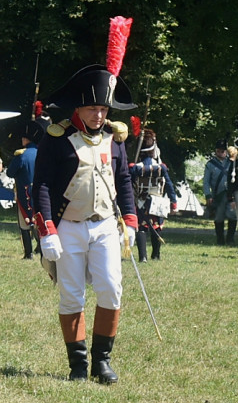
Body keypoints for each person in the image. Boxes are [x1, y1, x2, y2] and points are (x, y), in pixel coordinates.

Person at [33, 60, 139, 384]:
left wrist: (131, 221)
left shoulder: (114, 140)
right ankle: (77, 365)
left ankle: (102, 362)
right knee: (71, 294)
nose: (99, 115)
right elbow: (42, 186)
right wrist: (47, 230)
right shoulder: (57, 138)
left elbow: (123, 182)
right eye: (93, 108)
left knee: (111, 289)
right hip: (68, 227)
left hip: (105, 225)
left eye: (103, 109)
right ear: (79, 107)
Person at [129, 129, 177, 261]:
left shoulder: (134, 168)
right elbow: (169, 185)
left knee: (142, 227)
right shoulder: (162, 167)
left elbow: (129, 185)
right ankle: (156, 255)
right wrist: (174, 202)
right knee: (156, 227)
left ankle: (143, 257)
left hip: (140, 201)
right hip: (157, 202)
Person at [7, 116, 46, 259]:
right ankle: (41, 249)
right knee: (40, 221)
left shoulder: (21, 156)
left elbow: (10, 173)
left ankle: (28, 253)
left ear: (26, 139)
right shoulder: (43, 153)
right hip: (41, 193)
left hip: (25, 194)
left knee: (24, 223)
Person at [204, 138, 236, 246]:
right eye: (218, 151)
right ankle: (220, 240)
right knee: (219, 217)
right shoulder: (210, 164)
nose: (220, 153)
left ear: (226, 151)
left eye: (222, 151)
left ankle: (230, 239)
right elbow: (206, 182)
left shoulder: (232, 163)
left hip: (230, 194)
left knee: (232, 215)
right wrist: (208, 195)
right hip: (218, 195)